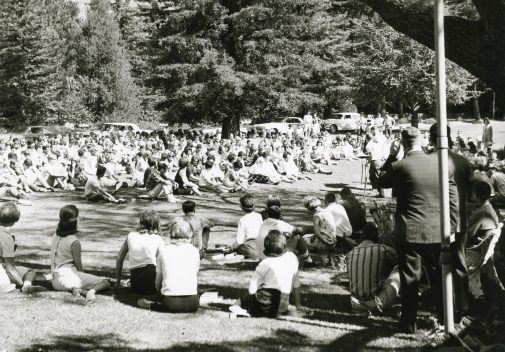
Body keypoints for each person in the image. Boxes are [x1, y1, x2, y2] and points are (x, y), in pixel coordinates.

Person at [378, 127, 459, 334]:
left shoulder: (400, 165)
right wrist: (453, 225)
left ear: (403, 143)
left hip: (410, 231)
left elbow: (380, 181)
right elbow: (452, 198)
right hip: (436, 230)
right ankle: (444, 318)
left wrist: (391, 155)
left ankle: (409, 323)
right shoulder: (442, 164)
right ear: (422, 140)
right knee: (438, 276)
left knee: (410, 279)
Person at [429, 123, 472, 320]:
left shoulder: (433, 161)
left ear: (432, 138)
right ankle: (461, 306)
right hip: (461, 220)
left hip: (441, 221)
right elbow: (470, 193)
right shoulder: (463, 161)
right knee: (459, 263)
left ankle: (443, 307)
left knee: (438, 264)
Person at [137, 217, 200, 313]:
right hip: (193, 303)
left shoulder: (163, 250)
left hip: (169, 302)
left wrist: (159, 290)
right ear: (190, 235)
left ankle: (151, 305)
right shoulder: (195, 251)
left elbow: (157, 282)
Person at [50, 205, 111, 302]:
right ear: (75, 221)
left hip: (55, 281)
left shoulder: (55, 236)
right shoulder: (74, 241)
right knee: (105, 282)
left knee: (77, 280)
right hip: (68, 276)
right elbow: (78, 264)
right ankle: (90, 292)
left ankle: (77, 289)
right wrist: (83, 277)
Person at [235, 230, 301, 317]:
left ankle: (239, 309)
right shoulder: (293, 258)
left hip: (264, 302)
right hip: (283, 304)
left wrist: (253, 299)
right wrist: (298, 305)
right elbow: (296, 285)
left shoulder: (265, 263)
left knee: (241, 300)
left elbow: (252, 289)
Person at [347, 223, 400, 313]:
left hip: (355, 303)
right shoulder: (382, 249)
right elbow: (399, 259)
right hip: (377, 303)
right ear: (376, 236)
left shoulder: (351, 253)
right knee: (401, 267)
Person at [467, 181, 505, 303]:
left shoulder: (481, 213)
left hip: (474, 252)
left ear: (476, 195)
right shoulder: (489, 208)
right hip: (484, 250)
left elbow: (468, 234)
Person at [0, 202, 47, 294]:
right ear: (14, 220)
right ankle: (26, 285)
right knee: (29, 272)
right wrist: (20, 284)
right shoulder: (6, 237)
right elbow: (10, 269)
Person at [115, 210, 165, 294]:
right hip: (152, 280)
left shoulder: (131, 235)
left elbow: (119, 258)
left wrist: (118, 281)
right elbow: (165, 260)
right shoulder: (157, 238)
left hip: (136, 283)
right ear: (156, 224)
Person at [231, 194, 262, 259]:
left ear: (241, 206)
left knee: (237, 248)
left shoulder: (242, 220)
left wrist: (232, 247)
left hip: (251, 249)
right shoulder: (259, 216)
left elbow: (239, 241)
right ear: (254, 205)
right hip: (262, 247)